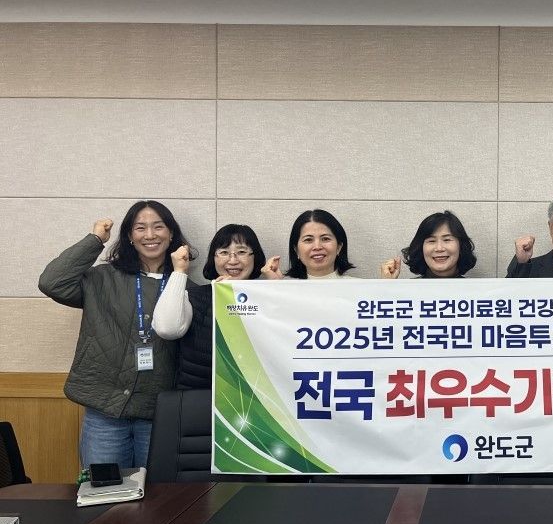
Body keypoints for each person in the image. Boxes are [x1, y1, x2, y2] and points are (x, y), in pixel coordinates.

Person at [39, 200, 194, 469]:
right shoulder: (102, 278)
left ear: (171, 234)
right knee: (103, 490)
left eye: (158, 227)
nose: (150, 234)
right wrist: (95, 240)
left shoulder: (185, 286)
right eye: (140, 228)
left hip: (156, 414)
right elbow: (52, 283)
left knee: (157, 493)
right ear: (129, 237)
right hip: (104, 412)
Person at [152, 224, 267, 390]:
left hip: (252, 399)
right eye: (224, 252)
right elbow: (167, 329)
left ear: (255, 257)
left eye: (242, 252)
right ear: (213, 258)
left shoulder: (265, 299)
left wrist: (277, 287)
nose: (233, 260)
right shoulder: (195, 296)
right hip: (198, 397)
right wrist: (179, 271)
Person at [262, 209, 356, 279]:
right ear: (296, 250)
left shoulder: (359, 289)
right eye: (308, 240)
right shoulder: (283, 286)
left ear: (339, 247)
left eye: (325, 239)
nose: (317, 247)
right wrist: (277, 287)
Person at [380, 210, 477, 279]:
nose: (439, 248)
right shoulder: (407, 290)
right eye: (431, 241)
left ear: (461, 246)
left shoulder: (478, 291)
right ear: (420, 248)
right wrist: (387, 286)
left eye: (447, 239)